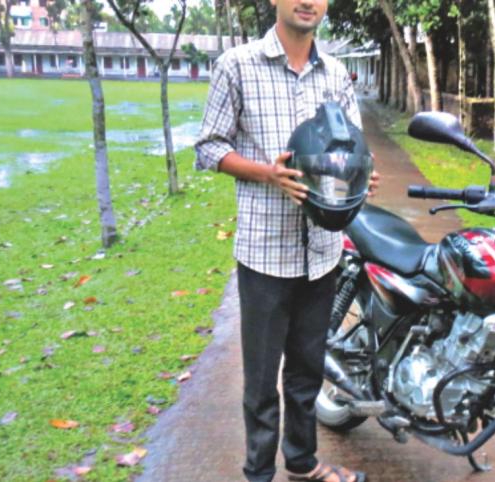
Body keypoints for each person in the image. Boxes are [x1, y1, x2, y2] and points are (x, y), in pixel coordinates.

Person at [194, 1, 377, 481]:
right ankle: (258, 472)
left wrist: (362, 176)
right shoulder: (238, 65)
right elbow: (210, 146)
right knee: (260, 380)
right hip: (264, 251)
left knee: (305, 374)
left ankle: (301, 463)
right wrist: (267, 173)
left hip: (322, 251)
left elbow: (354, 147)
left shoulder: (336, 74)